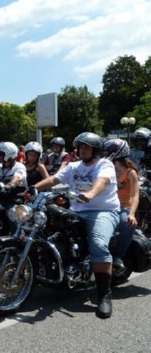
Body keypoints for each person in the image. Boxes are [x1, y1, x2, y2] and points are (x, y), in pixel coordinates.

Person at [33, 132, 120, 319]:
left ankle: (104, 295)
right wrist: (35, 188)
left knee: (98, 244)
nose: (82, 149)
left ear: (96, 150)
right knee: (46, 229)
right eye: (80, 146)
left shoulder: (104, 164)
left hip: (102, 211)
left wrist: (91, 194)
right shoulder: (73, 165)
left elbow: (101, 181)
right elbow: (55, 179)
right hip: (77, 210)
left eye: (86, 147)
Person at [103, 139, 140, 269]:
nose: (106, 153)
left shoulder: (130, 172)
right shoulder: (106, 168)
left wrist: (132, 214)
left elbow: (135, 195)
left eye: (108, 151)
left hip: (124, 207)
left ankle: (119, 255)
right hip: (107, 206)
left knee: (126, 223)